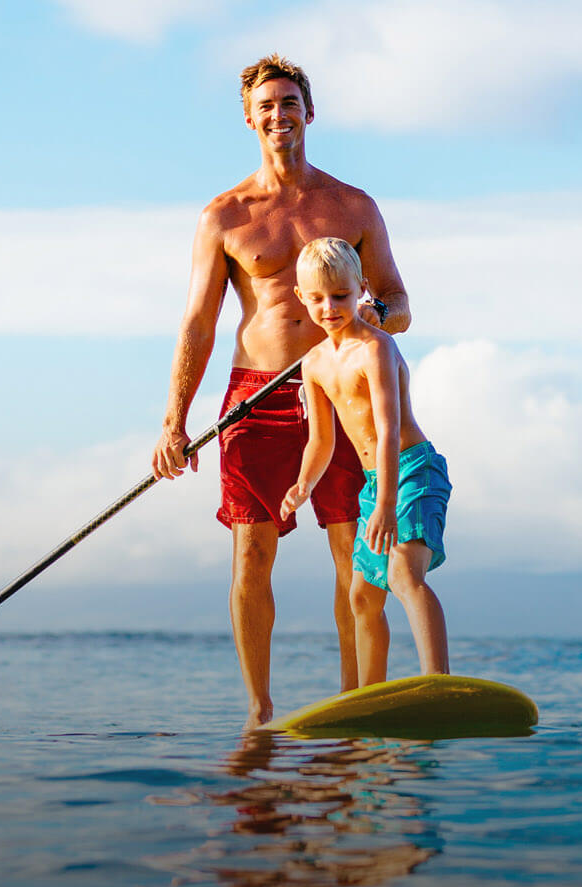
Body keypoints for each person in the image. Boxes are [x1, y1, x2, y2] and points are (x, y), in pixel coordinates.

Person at [151, 56, 412, 728]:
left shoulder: (353, 206)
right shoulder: (225, 216)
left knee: (353, 545)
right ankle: (260, 712)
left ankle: (357, 701)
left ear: (309, 112)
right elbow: (198, 323)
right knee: (252, 550)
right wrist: (173, 422)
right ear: (249, 118)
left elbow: (399, 301)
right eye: (266, 105)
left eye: (289, 102)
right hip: (254, 396)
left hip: (340, 387)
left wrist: (368, 319)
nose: (279, 115)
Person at [281, 237, 451, 686]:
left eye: (340, 295)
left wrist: (385, 504)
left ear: (362, 289)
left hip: (412, 471)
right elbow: (321, 440)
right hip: (376, 483)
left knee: (401, 574)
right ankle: (370, 696)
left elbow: (389, 428)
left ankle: (437, 682)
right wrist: (302, 485)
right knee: (360, 596)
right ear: (300, 297)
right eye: (317, 298)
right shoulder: (314, 363)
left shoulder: (375, 348)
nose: (329, 307)